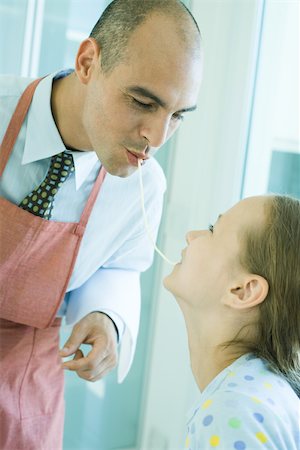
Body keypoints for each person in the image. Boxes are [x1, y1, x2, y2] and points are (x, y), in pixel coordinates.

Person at [0, 0, 203, 448]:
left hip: (23, 392)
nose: (157, 137)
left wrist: (108, 318)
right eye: (142, 102)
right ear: (88, 62)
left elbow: (118, 267)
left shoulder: (144, 185)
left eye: (178, 116)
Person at [164, 195, 300, 450]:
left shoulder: (230, 412)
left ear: (242, 291)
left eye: (213, 230)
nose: (191, 235)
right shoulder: (257, 394)